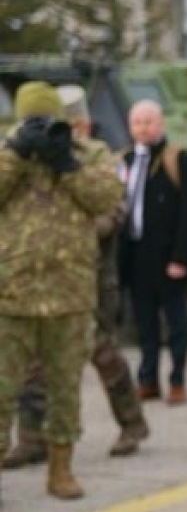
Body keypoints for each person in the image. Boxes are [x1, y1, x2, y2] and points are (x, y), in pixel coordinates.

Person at [4, 86, 149, 468]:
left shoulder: (90, 157)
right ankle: (33, 438)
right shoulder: (19, 156)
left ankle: (132, 423)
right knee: (34, 366)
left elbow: (111, 212)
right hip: (33, 284)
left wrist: (78, 228)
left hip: (91, 277)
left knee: (103, 352)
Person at [118, 100, 187, 405]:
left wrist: (181, 257)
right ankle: (148, 378)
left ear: (161, 124)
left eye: (148, 121)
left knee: (176, 322)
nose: (143, 127)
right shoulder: (125, 161)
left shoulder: (180, 160)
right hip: (137, 258)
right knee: (144, 324)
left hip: (169, 259)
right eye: (137, 122)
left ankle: (177, 379)